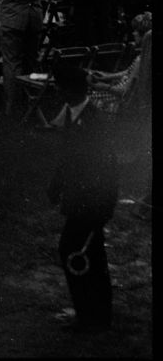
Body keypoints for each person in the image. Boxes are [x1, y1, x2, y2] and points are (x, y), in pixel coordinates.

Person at [48, 57, 120, 331]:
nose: (57, 91)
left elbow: (108, 169)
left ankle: (93, 316)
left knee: (76, 252)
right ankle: (91, 314)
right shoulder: (72, 113)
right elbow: (67, 158)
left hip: (92, 203)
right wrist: (57, 186)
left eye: (59, 86)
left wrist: (104, 209)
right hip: (79, 200)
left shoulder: (93, 122)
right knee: (86, 254)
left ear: (69, 90)